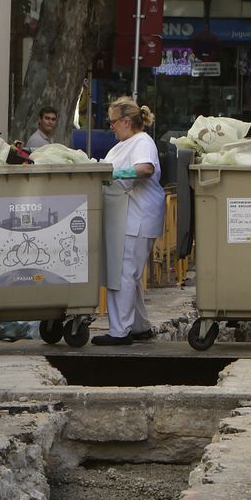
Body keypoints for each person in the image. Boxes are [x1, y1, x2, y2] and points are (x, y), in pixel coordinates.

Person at [93, 97, 163, 346]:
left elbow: (145, 169)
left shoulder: (142, 142)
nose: (110, 126)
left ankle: (119, 331)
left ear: (125, 121)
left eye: (113, 121)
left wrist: (116, 173)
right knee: (130, 275)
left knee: (123, 273)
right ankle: (139, 326)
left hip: (136, 217)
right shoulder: (123, 145)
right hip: (126, 217)